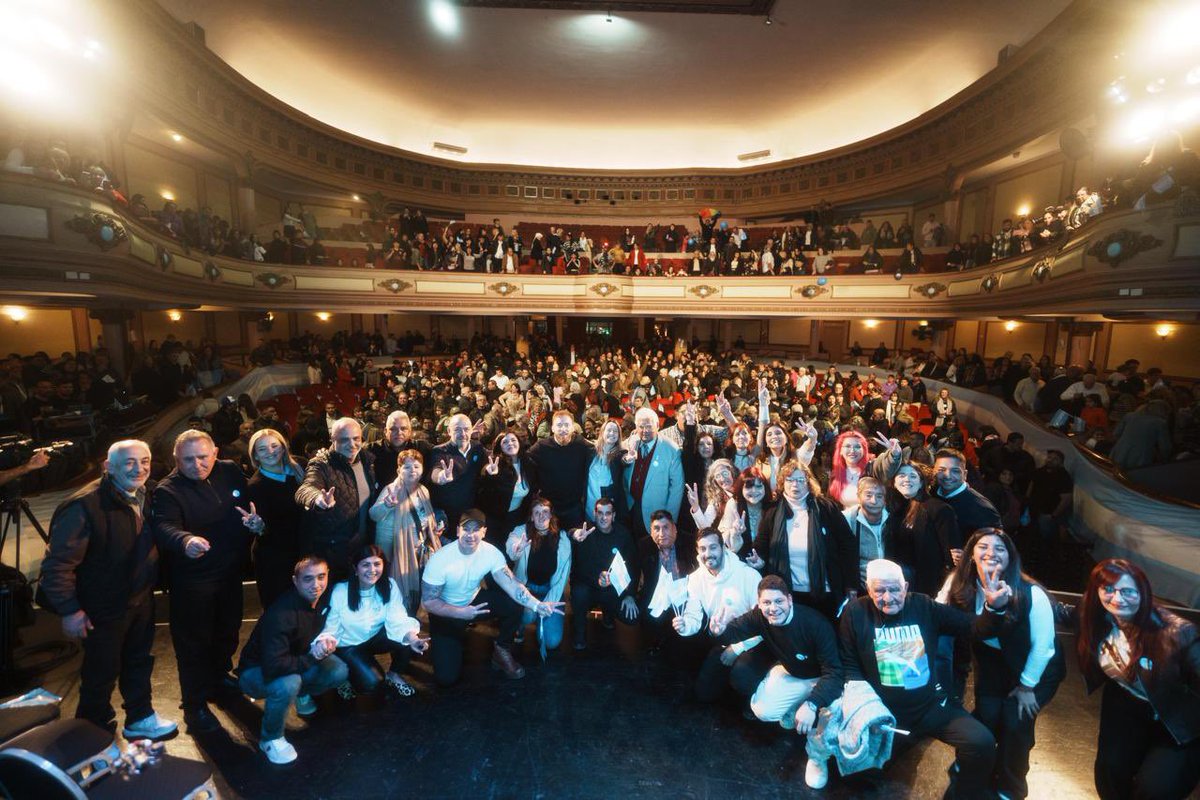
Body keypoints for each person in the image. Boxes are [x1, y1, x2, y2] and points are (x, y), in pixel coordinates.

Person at [40, 439, 177, 740]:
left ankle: (139, 717)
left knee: (138, 662)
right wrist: (69, 610)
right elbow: (57, 566)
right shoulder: (83, 506)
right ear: (108, 467)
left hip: (139, 600)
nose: (139, 468)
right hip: (102, 606)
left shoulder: (147, 494)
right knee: (100, 675)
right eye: (129, 462)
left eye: (144, 461)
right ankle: (93, 735)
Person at [840, 559, 1010, 800]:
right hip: (886, 717)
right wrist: (864, 712)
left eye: (894, 589)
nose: (888, 598)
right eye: (879, 590)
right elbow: (850, 666)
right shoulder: (855, 612)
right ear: (868, 590)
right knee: (856, 777)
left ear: (906, 587)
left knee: (981, 743)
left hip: (930, 707)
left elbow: (975, 627)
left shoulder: (924, 606)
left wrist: (994, 608)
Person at [152, 429, 264, 734]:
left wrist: (257, 522)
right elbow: (164, 525)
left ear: (215, 452)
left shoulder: (228, 471)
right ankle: (195, 704)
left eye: (203, 457)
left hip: (230, 573)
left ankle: (218, 677)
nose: (197, 464)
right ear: (176, 460)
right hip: (193, 581)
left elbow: (250, 505)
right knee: (193, 645)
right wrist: (185, 540)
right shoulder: (167, 490)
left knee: (227, 631)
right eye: (188, 459)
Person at [939, 529, 1064, 800]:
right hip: (994, 663)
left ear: (1011, 557)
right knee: (987, 715)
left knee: (1015, 722)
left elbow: (1044, 648)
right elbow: (937, 611)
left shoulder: (1031, 593)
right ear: (971, 553)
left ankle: (1011, 786)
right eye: (983, 546)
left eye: (1000, 548)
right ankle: (973, 764)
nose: (991, 553)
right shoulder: (959, 584)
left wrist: (1027, 686)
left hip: (1036, 669)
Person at [1073, 559, 1200, 800]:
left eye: (1127, 591)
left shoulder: (1178, 633)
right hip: (1126, 706)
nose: (1117, 598)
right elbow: (1061, 612)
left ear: (1143, 592)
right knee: (1109, 777)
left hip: (1174, 720)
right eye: (1108, 589)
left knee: (1154, 791)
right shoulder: (1094, 614)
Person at [710, 574, 843, 787]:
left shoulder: (815, 624)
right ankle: (796, 705)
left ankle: (817, 758)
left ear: (790, 600)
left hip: (823, 679)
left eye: (779, 601)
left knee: (830, 718)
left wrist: (812, 703)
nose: (773, 608)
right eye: (767, 602)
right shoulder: (760, 617)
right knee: (762, 710)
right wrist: (719, 631)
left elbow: (835, 673)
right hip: (794, 675)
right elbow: (733, 632)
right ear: (759, 604)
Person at [420, 510, 562, 684]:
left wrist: (536, 605)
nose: (470, 534)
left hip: (473, 603)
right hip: (446, 611)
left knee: (513, 603)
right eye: (466, 529)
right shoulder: (440, 559)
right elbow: (428, 602)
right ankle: (450, 642)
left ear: (484, 532)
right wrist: (460, 613)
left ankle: (501, 650)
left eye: (476, 529)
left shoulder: (491, 553)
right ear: (458, 531)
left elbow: (511, 584)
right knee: (446, 678)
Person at [237, 557, 348, 765]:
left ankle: (300, 694)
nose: (316, 585)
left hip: (294, 659)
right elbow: (274, 666)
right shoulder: (281, 614)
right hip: (256, 672)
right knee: (288, 683)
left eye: (321, 577)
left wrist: (324, 642)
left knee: (338, 670)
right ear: (295, 581)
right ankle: (270, 738)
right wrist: (312, 657)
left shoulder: (324, 598)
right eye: (308, 579)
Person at [754, 461, 858, 620]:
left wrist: (851, 584)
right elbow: (762, 547)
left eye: (800, 480)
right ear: (782, 483)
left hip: (825, 591)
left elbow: (848, 545)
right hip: (789, 594)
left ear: (808, 482)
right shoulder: (772, 512)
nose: (795, 484)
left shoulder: (826, 508)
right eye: (790, 480)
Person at [322, 545, 429, 698]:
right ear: (355, 568)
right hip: (350, 645)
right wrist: (326, 644)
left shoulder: (390, 585)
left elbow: (398, 618)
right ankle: (347, 676)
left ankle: (394, 674)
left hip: (374, 637)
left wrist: (413, 639)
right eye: (366, 564)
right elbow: (330, 628)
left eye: (377, 564)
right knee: (373, 684)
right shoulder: (340, 591)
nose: (372, 570)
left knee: (409, 634)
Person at [674, 528, 767, 703]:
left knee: (742, 677)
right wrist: (685, 625)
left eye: (713, 547)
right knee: (703, 693)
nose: (708, 553)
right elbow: (693, 615)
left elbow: (764, 624)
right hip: (723, 639)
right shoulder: (695, 579)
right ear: (697, 551)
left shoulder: (748, 574)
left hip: (754, 641)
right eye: (703, 549)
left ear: (723, 548)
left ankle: (754, 694)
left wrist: (737, 648)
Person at [295, 417, 379, 582]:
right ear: (332, 440)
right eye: (344, 440)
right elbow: (304, 489)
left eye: (356, 438)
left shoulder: (367, 461)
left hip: (362, 547)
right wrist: (318, 498)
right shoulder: (321, 464)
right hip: (334, 550)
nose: (352, 444)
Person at [369, 448, 440, 613]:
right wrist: (387, 505)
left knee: (415, 584)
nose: (412, 470)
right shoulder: (391, 490)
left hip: (417, 548)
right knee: (396, 590)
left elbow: (425, 517)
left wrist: (433, 527)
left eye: (416, 466)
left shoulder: (423, 490)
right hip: (394, 551)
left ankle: (411, 616)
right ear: (398, 470)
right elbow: (373, 515)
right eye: (407, 467)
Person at [245, 428, 306, 609]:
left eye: (274, 446)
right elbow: (265, 530)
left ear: (283, 447)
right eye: (262, 449)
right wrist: (259, 527)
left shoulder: (300, 466)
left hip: (303, 550)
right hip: (275, 558)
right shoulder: (255, 486)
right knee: (280, 609)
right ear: (255, 455)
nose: (270, 452)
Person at [505, 498, 572, 653]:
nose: (541, 516)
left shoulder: (562, 539)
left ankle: (540, 620)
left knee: (552, 642)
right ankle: (520, 626)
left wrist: (547, 605)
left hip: (550, 591)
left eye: (545, 512)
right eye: (537, 513)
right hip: (525, 589)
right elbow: (511, 549)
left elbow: (562, 578)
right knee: (527, 615)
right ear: (531, 517)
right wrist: (518, 548)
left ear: (551, 516)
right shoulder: (521, 532)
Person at [569, 497, 636, 650]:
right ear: (594, 513)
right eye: (600, 513)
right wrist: (574, 534)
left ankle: (608, 615)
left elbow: (632, 566)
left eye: (608, 513)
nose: (604, 517)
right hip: (587, 586)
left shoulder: (623, 534)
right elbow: (569, 534)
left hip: (611, 587)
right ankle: (579, 632)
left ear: (614, 515)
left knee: (632, 617)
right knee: (579, 594)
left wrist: (630, 594)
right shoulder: (586, 531)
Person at [885, 462, 961, 595]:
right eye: (901, 475)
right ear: (894, 483)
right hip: (900, 585)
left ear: (921, 483)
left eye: (913, 476)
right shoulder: (894, 510)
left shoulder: (939, 509)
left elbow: (951, 557)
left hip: (929, 587)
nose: (907, 479)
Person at [623, 407, 684, 539]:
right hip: (630, 507)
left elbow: (677, 488)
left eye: (649, 426)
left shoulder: (672, 450)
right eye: (641, 426)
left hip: (656, 514)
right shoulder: (630, 443)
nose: (644, 431)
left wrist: (669, 519)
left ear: (657, 425)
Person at [528, 409, 593, 528]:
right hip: (550, 508)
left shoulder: (581, 443)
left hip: (574, 507)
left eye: (567, 425)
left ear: (573, 427)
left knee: (575, 540)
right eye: (559, 425)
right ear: (552, 428)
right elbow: (524, 460)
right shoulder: (542, 446)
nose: (563, 429)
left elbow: (601, 449)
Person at [427, 413, 487, 533]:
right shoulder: (439, 451)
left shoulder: (477, 448)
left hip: (470, 514)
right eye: (457, 430)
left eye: (466, 429)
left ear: (472, 431)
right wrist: (441, 477)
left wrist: (488, 469)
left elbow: (485, 466)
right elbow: (436, 470)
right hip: (447, 516)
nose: (463, 434)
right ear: (449, 431)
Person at [477, 430, 536, 548]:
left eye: (513, 440)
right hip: (495, 519)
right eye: (505, 442)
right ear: (500, 447)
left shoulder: (528, 464)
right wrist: (489, 475)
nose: (510, 443)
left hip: (517, 517)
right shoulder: (497, 464)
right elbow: (484, 485)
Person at [932, 449, 1001, 544]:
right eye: (941, 470)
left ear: (965, 474)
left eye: (955, 471)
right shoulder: (930, 494)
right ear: (933, 472)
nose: (947, 475)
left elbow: (991, 548)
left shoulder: (982, 508)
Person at [823, 430, 902, 508]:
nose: (852, 450)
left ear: (864, 450)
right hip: (844, 519)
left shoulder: (872, 468)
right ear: (840, 451)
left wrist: (894, 454)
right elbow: (831, 505)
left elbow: (886, 466)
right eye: (847, 446)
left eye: (857, 447)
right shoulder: (836, 474)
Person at [718, 466, 773, 561]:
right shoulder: (734, 504)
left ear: (765, 488)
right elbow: (725, 543)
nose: (754, 491)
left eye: (759, 486)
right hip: (739, 562)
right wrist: (735, 533)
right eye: (749, 486)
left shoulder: (771, 506)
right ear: (741, 488)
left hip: (767, 561)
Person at [368, 410, 430, 489]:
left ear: (410, 431)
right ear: (385, 431)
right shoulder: (373, 449)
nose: (399, 432)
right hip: (386, 498)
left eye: (403, 428)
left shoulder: (421, 447)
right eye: (393, 429)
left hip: (415, 497)